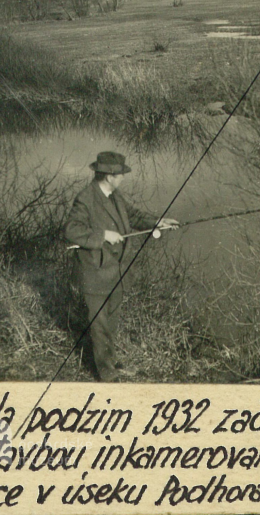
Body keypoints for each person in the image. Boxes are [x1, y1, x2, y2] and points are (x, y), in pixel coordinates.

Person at [64, 151, 179, 382]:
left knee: (112, 318)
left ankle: (110, 357)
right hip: (95, 272)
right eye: (120, 175)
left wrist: (157, 221)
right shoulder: (85, 199)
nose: (123, 178)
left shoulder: (114, 195)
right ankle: (106, 372)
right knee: (99, 322)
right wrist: (103, 235)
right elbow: (72, 230)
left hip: (116, 270)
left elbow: (132, 214)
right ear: (109, 176)